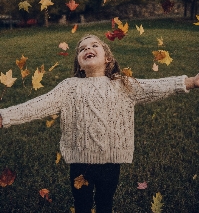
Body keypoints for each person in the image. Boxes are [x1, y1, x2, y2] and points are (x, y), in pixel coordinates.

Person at [0, 34, 199, 213]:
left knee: (105, 203)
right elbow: (39, 105)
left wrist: (190, 82)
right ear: (78, 63)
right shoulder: (69, 87)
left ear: (108, 58)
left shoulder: (123, 84)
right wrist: (5, 116)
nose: (88, 49)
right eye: (82, 48)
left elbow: (155, 87)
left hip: (111, 163)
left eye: (94, 45)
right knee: (82, 205)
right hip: (80, 164)